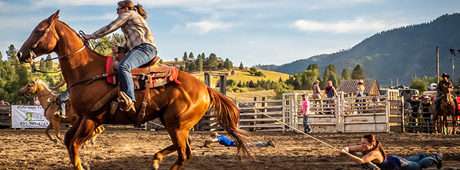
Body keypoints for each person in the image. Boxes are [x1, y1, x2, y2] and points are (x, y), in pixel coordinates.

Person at [82, 0, 157, 112]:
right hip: (139, 48)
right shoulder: (132, 20)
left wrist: (91, 36)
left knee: (123, 66)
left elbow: (111, 27)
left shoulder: (129, 14)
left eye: (118, 9)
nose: (117, 12)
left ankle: (130, 98)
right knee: (116, 65)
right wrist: (120, 49)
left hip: (145, 49)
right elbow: (130, 43)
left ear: (126, 8)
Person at [340, 134, 442, 170]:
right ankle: (422, 155)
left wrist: (346, 154)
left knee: (418, 166)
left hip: (397, 165)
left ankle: (436, 157)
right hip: (392, 159)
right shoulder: (365, 147)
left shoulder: (374, 153)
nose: (361, 145)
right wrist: (345, 149)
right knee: (413, 159)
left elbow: (361, 161)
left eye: (364, 143)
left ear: (372, 144)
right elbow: (349, 148)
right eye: (361, 143)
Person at [203, 132, 275, 148]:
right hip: (235, 141)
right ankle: (266, 143)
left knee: (251, 145)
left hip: (234, 143)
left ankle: (267, 143)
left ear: (214, 136)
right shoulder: (222, 136)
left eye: (212, 137)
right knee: (252, 144)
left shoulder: (219, 138)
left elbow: (212, 141)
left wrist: (206, 143)